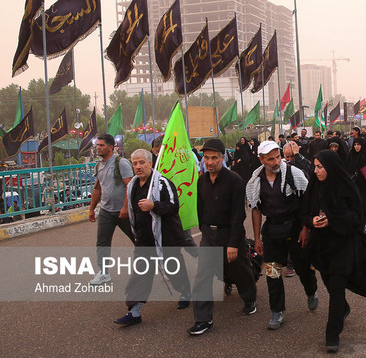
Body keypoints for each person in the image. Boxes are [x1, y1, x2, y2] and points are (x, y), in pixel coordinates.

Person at [302, 150, 366, 352]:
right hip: (322, 246)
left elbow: (357, 219)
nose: (316, 171)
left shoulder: (346, 187)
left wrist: (332, 220)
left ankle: (332, 335)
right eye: (315, 166)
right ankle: (343, 308)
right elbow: (304, 213)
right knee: (328, 281)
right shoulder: (314, 187)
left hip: (343, 245)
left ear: (331, 167)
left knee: (336, 286)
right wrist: (312, 222)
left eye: (320, 167)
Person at [114, 149, 192, 326]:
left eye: (142, 162)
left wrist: (153, 205)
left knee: (173, 268)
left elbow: (173, 206)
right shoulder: (133, 185)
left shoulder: (162, 183)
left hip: (167, 235)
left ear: (150, 163)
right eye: (135, 163)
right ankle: (135, 311)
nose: (138, 166)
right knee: (140, 272)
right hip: (144, 237)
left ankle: (185, 291)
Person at [246, 141, 318, 330]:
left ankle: (311, 291)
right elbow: (255, 210)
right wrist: (257, 239)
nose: (276, 161)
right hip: (272, 232)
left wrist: (305, 229)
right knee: (272, 272)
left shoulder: (294, 174)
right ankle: (277, 311)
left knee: (303, 268)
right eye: (271, 159)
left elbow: (307, 201)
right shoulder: (256, 181)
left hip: (296, 229)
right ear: (261, 160)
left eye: (278, 156)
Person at [189, 139, 258, 336]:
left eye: (214, 158)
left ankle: (250, 298)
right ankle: (203, 319)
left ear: (222, 158)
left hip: (231, 233)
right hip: (209, 235)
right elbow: (200, 208)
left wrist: (233, 243)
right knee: (202, 276)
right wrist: (205, 229)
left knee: (240, 270)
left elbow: (239, 214)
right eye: (206, 158)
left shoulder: (234, 180)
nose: (209, 162)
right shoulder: (201, 181)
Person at [88, 134, 135, 285]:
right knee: (102, 242)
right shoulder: (99, 165)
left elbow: (130, 186)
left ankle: (161, 264)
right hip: (106, 211)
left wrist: (125, 207)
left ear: (110, 147)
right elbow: (97, 188)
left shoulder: (121, 163)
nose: (98, 148)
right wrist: (91, 209)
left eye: (101, 145)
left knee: (139, 240)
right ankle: (103, 272)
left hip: (123, 212)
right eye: (97, 145)